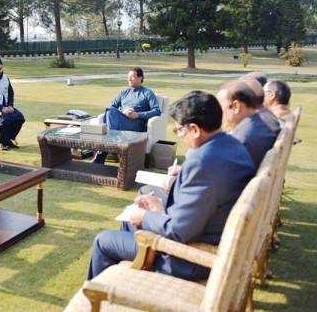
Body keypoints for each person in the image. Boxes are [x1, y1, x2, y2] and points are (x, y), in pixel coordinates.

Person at [87, 91, 255, 280]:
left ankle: (97, 296)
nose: (180, 136)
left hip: (186, 257)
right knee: (131, 218)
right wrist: (159, 209)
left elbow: (179, 231)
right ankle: (127, 274)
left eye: (179, 130)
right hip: (205, 235)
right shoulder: (233, 145)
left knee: (103, 240)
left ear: (195, 129)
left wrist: (146, 216)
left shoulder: (202, 163)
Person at [93, 67, 161, 164]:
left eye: (132, 77)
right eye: (128, 77)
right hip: (123, 121)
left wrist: (138, 114)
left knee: (111, 115)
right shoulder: (124, 92)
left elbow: (157, 111)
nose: (129, 79)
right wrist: (124, 111)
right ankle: (111, 145)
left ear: (140, 78)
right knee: (110, 111)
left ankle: (104, 151)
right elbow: (112, 107)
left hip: (136, 123)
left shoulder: (147, 93)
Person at [216, 78, 280, 168]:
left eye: (220, 107)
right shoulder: (257, 125)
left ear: (236, 106)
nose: (218, 113)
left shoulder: (243, 139)